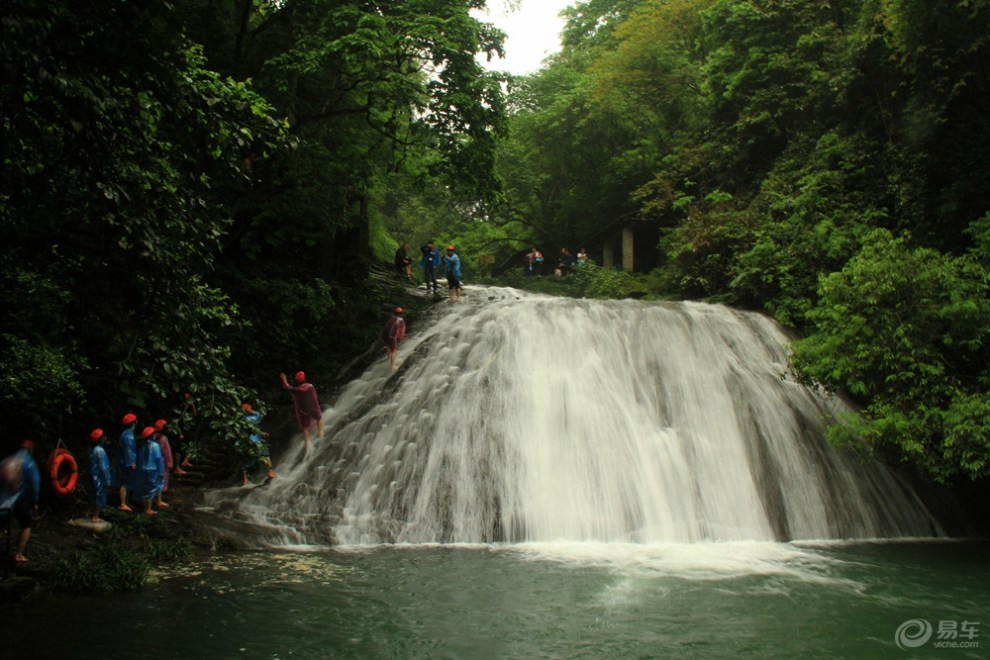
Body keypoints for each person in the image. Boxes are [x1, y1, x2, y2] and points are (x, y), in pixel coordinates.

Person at [0, 440, 41, 564]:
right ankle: (19, 554)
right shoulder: (30, 464)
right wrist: (34, 501)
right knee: (26, 525)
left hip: (3, 501)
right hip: (18, 498)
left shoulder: (6, 460)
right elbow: (35, 484)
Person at [280, 370, 324, 450]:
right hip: (314, 408)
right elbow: (315, 397)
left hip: (304, 411)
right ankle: (320, 433)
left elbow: (287, 386)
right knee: (319, 418)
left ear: (297, 381)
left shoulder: (296, 390)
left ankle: (307, 443)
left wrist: (284, 378)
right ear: (305, 378)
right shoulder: (311, 386)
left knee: (305, 428)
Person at [241, 403, 276, 485]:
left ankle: (270, 471)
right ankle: (245, 479)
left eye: (248, 408)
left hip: (257, 440)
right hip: (249, 442)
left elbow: (255, 427)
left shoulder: (253, 417)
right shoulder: (242, 419)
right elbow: (249, 429)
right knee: (247, 460)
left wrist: (262, 433)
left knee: (265, 455)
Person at [133, 426, 165, 516]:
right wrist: (161, 471)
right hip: (152, 470)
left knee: (144, 489)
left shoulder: (142, 446)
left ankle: (145, 508)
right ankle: (148, 509)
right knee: (150, 489)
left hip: (142, 469)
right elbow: (159, 459)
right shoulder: (155, 445)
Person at [114, 412, 138, 512]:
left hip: (123, 461)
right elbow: (128, 451)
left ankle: (126, 502)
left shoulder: (127, 434)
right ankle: (123, 503)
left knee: (127, 483)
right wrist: (131, 463)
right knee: (124, 483)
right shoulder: (128, 436)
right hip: (125, 463)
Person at [88, 428, 111, 523]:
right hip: (99, 477)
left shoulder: (91, 449)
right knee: (100, 496)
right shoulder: (100, 451)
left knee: (93, 495)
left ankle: (88, 513)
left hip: (92, 475)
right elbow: (103, 467)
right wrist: (107, 480)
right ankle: (95, 516)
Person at [153, 419, 173, 510]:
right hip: (162, 463)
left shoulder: (152, 437)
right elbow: (167, 452)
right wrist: (169, 463)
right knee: (161, 481)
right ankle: (159, 500)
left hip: (152, 462)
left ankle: (153, 498)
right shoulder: (164, 438)